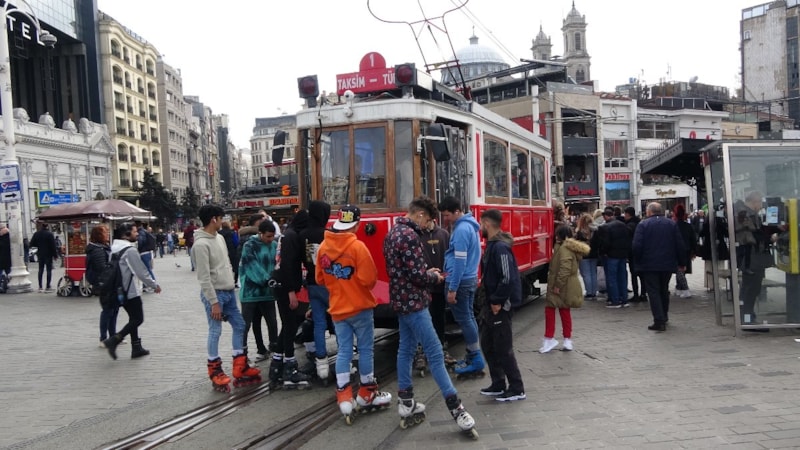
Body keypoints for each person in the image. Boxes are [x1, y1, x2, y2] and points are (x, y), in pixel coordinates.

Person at [384, 197, 476, 432]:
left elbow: (403, 271)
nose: (427, 227)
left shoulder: (393, 233)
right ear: (421, 215)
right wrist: (433, 276)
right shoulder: (411, 236)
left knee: (405, 350)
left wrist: (423, 272)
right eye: (428, 221)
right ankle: (457, 409)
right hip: (415, 303)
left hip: (400, 301)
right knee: (435, 353)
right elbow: (417, 277)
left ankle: (406, 402)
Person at [317, 204, 391, 422]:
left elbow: (320, 279)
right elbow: (369, 280)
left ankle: (344, 397)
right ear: (357, 224)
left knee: (344, 352)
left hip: (338, 309)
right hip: (360, 308)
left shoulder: (323, 247)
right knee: (366, 350)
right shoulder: (358, 248)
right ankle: (367, 394)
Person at [193, 204, 261, 391]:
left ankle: (240, 365)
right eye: (221, 218)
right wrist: (214, 302)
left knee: (240, 325)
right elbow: (203, 277)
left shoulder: (220, 238)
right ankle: (214, 369)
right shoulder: (200, 244)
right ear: (213, 219)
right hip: (215, 294)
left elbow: (227, 263)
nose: (223, 221)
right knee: (215, 330)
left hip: (229, 291)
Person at [478, 209, 526, 401]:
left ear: (487, 224)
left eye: (481, 224)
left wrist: (498, 300)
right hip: (491, 305)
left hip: (500, 305)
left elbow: (507, 277)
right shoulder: (492, 246)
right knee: (488, 345)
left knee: (503, 348)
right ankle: (498, 383)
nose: (480, 227)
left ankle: (517, 388)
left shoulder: (500, 248)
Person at [438, 196, 484, 377]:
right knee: (469, 318)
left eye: (448, 215)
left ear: (457, 211)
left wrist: (452, 289)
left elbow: (459, 262)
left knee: (465, 320)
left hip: (461, 281)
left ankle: (475, 357)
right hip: (469, 279)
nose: (446, 218)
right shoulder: (470, 226)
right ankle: (474, 355)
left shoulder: (462, 230)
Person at [102, 222, 161, 359]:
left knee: (132, 318)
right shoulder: (130, 250)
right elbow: (141, 272)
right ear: (126, 234)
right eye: (135, 232)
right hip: (130, 289)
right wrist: (154, 285)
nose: (137, 234)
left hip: (118, 290)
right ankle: (115, 339)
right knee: (138, 319)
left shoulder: (114, 248)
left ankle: (136, 347)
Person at [270, 209, 312, 389]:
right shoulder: (292, 237)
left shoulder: (288, 234)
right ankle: (289, 368)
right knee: (290, 327)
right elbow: (287, 265)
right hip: (285, 288)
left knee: (288, 325)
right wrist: (291, 291)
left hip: (281, 286)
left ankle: (277, 365)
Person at [632, 202, 687, 332]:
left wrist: (638, 260)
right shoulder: (671, 224)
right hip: (667, 264)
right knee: (664, 289)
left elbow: (636, 246)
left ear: (649, 212)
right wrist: (682, 262)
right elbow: (679, 244)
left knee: (653, 291)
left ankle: (659, 320)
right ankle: (665, 315)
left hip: (649, 264)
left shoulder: (643, 225)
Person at [540, 225, 589, 353]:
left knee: (550, 310)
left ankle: (549, 339)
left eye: (557, 234)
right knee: (564, 311)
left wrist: (557, 286)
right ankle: (567, 340)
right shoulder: (567, 247)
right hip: (568, 284)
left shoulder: (564, 249)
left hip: (562, 285)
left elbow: (564, 269)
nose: (555, 236)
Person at [299, 200, 333, 381]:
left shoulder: (302, 235)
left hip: (312, 284)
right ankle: (347, 359)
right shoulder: (327, 235)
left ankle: (321, 363)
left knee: (319, 323)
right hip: (329, 284)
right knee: (339, 321)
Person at [237, 214, 278, 359]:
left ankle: (275, 350)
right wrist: (267, 279)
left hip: (268, 292)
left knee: (272, 323)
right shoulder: (250, 245)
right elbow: (251, 266)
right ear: (260, 233)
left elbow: (276, 264)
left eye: (272, 236)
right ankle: (242, 354)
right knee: (246, 325)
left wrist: (276, 278)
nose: (270, 239)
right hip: (251, 293)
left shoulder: (274, 245)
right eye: (268, 236)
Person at [419, 216, 455, 370]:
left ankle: (441, 347)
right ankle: (422, 351)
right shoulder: (417, 235)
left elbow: (449, 256)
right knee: (423, 319)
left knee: (439, 317)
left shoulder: (443, 234)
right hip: (425, 285)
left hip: (440, 285)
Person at [734, 192, 772, 324]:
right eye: (760, 203)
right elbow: (751, 235)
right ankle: (747, 319)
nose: (761, 206)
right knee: (751, 289)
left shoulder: (744, 213)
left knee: (749, 289)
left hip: (750, 257)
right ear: (755, 202)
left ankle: (747, 317)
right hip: (751, 258)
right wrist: (768, 238)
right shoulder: (745, 214)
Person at [85, 224, 115, 347]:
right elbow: (102, 268)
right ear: (98, 235)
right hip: (104, 284)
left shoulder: (102, 247)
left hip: (108, 282)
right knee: (107, 310)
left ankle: (113, 336)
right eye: (105, 232)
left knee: (113, 310)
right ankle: (104, 338)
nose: (107, 234)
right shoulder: (98, 250)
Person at [597, 207, 631, 308]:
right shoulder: (623, 225)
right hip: (622, 255)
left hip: (611, 256)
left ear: (605, 216)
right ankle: (624, 299)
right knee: (622, 277)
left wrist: (603, 252)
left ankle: (615, 300)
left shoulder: (605, 227)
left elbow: (605, 243)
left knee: (612, 278)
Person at [673, 204, 697, 298]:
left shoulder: (674, 225)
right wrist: (694, 251)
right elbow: (693, 239)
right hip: (687, 250)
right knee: (682, 270)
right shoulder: (688, 226)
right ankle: (679, 288)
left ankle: (684, 289)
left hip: (676, 250)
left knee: (679, 270)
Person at [623, 207, 646, 303]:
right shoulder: (641, 223)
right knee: (642, 275)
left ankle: (636, 295)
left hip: (633, 253)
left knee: (634, 275)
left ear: (628, 214)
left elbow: (627, 239)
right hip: (643, 252)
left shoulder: (629, 225)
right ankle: (643, 294)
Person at [574, 213, 599, 300]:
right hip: (594, 254)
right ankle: (594, 292)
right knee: (593, 273)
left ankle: (589, 293)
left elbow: (576, 244)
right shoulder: (595, 230)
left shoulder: (579, 232)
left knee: (586, 274)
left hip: (584, 255)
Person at [29, 223, 59, 293]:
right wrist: (55, 255)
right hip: (48, 254)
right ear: (47, 227)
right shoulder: (49, 234)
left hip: (40, 254)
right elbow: (53, 246)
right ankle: (48, 286)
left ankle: (40, 286)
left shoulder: (36, 234)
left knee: (40, 269)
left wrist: (39, 245)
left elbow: (31, 244)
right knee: (49, 270)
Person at [136, 223, 157, 292]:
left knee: (147, 270)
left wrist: (138, 248)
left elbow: (140, 242)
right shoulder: (144, 231)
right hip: (147, 252)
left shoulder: (141, 232)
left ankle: (153, 285)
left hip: (144, 253)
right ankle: (147, 285)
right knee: (147, 269)